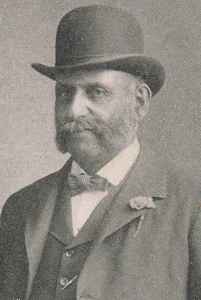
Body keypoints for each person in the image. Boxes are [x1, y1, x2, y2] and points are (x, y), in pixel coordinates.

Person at [0, 5, 201, 300]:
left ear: (140, 101)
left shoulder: (191, 206)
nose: (74, 109)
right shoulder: (20, 209)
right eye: (65, 93)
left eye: (96, 92)